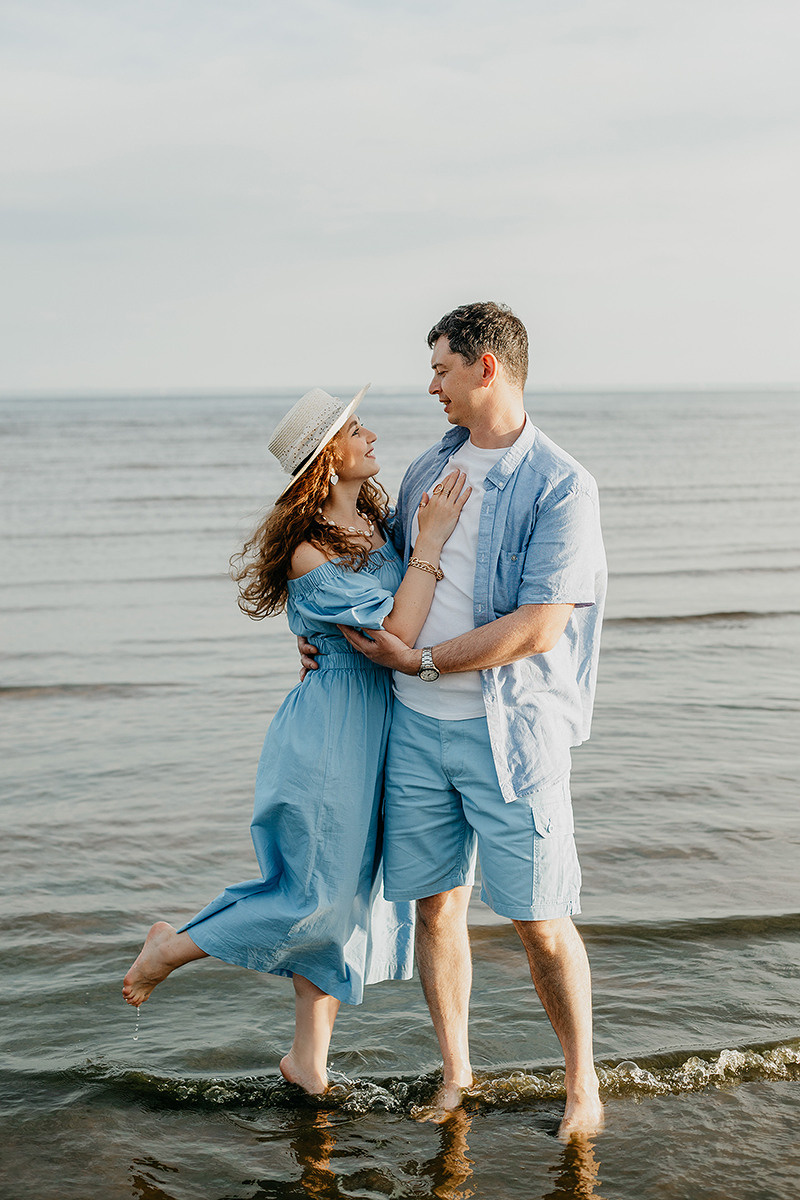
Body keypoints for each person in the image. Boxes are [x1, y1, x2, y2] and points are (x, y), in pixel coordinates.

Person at [300, 303, 607, 1138]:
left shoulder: (559, 484)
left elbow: (543, 625)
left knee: (541, 919)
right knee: (435, 909)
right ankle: (458, 1072)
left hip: (510, 738)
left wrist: (426, 661)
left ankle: (582, 1085)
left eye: (441, 368)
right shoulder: (433, 463)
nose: (431, 384)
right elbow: (388, 570)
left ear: (487, 369)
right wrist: (316, 636)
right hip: (414, 729)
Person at [122, 383, 470, 1095]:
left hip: (385, 727)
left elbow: (402, 617)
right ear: (326, 460)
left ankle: (307, 1060)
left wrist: (412, 549)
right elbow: (395, 633)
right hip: (331, 738)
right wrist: (429, 543)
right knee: (312, 893)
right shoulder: (308, 555)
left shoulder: (376, 525)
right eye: (356, 430)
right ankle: (170, 948)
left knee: (348, 898)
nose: (371, 437)